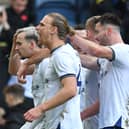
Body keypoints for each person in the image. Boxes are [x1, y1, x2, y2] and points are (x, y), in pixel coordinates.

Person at [9, 13, 83, 128]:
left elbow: (70, 89)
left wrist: (39, 109)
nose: (37, 28)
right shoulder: (58, 53)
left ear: (53, 29)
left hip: (63, 123)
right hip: (54, 122)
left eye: (42, 25)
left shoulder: (61, 55)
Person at [70, 13, 129, 129]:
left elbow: (95, 51)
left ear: (109, 31)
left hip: (118, 121)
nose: (95, 37)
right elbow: (87, 61)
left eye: (97, 32)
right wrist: (62, 52)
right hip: (107, 122)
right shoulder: (106, 60)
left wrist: (70, 34)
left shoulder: (124, 50)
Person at [79, 15, 100, 129]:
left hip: (105, 123)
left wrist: (81, 115)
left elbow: (106, 98)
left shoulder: (108, 57)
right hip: (89, 123)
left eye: (88, 33)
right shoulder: (87, 58)